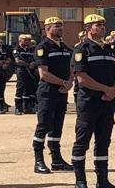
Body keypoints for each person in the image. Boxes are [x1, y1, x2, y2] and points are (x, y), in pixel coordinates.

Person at [71, 14, 115, 188]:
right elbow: (82, 78)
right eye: (98, 25)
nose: (102, 28)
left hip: (107, 102)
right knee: (82, 141)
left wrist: (114, 89)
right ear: (88, 28)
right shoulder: (81, 49)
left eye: (103, 25)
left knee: (103, 142)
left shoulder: (107, 49)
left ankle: (102, 180)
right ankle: (80, 181)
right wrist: (106, 89)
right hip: (89, 102)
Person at [32, 17, 74, 174]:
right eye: (56, 26)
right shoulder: (43, 47)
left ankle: (56, 160)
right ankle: (38, 161)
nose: (60, 28)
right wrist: (64, 83)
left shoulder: (64, 47)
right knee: (43, 126)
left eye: (61, 26)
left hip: (62, 91)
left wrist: (69, 81)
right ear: (47, 28)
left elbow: (72, 67)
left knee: (57, 126)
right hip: (48, 92)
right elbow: (44, 74)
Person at [13, 34, 37, 115]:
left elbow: (35, 58)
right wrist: (28, 64)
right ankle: (18, 108)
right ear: (20, 40)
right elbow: (18, 61)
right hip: (22, 71)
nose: (27, 41)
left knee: (29, 88)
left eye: (29, 40)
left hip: (30, 71)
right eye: (25, 40)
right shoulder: (17, 49)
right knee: (20, 88)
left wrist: (34, 63)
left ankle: (27, 107)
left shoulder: (31, 49)